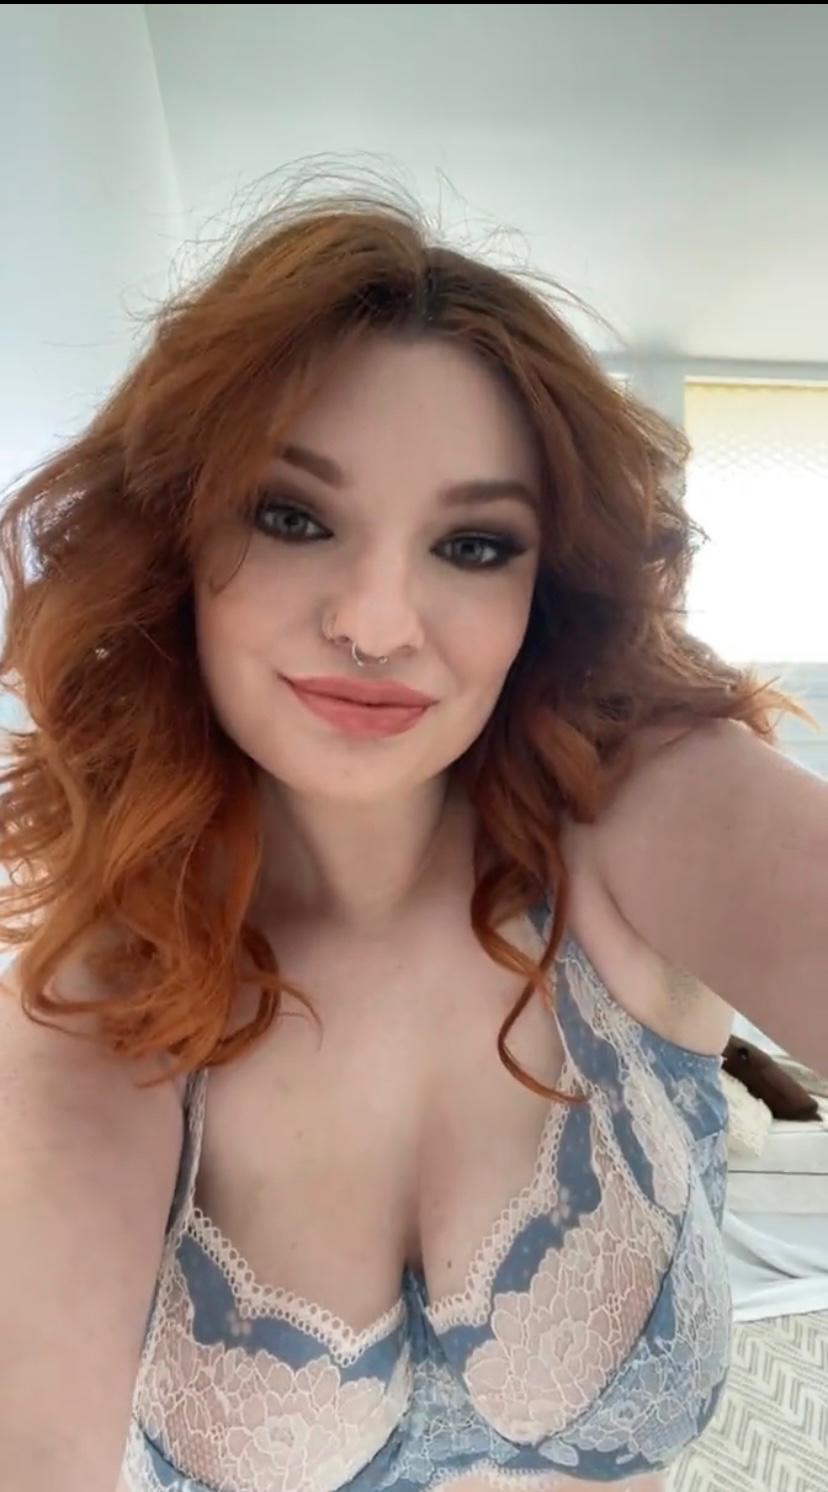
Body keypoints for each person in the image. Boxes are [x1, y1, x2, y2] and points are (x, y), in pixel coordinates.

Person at [0, 185, 825, 1492]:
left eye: (473, 544)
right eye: (293, 516)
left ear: (544, 586)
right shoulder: (102, 1004)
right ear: (175, 537)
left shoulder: (645, 809)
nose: (379, 624)